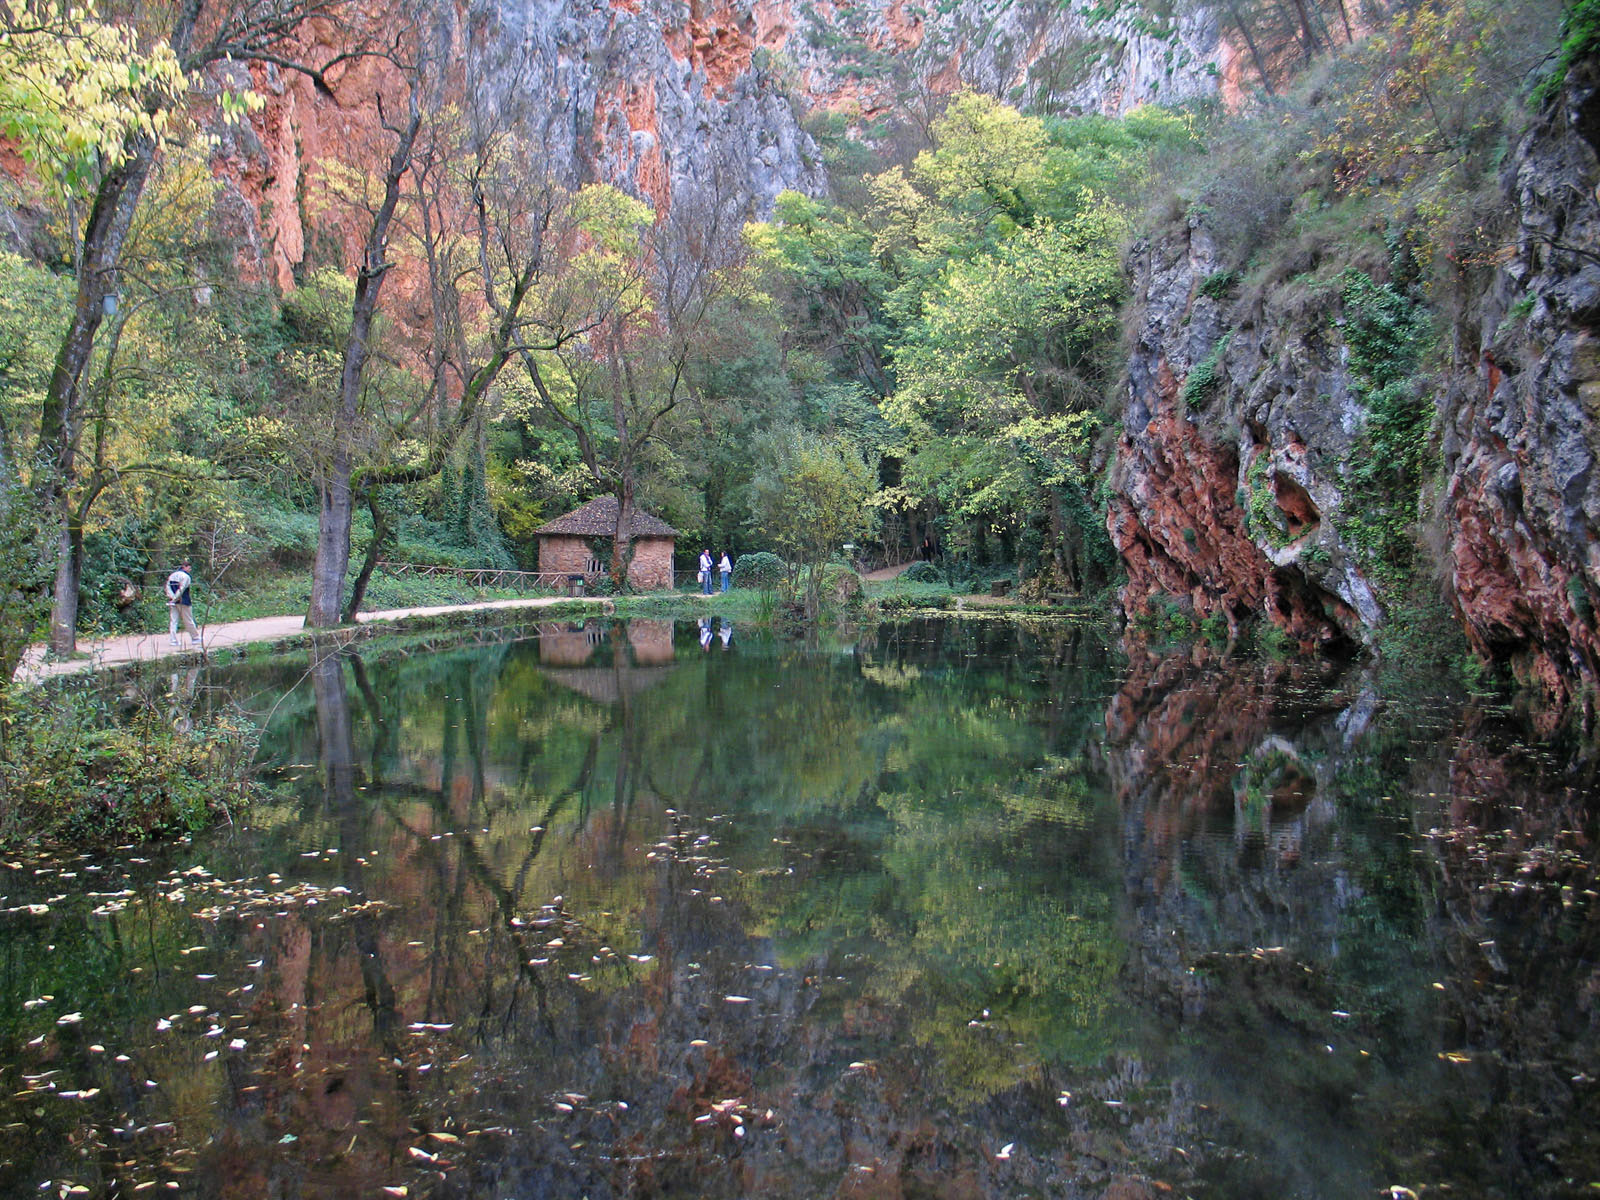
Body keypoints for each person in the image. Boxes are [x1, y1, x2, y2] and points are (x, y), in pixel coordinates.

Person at [165, 560, 200, 648]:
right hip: (183, 601)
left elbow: (167, 587)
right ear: (185, 567)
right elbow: (182, 589)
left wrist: (172, 598)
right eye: (189, 568)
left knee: (173, 621)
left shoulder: (172, 575)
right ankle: (195, 638)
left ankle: (173, 640)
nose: (190, 570)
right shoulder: (186, 577)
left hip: (172, 601)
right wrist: (175, 598)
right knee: (188, 620)